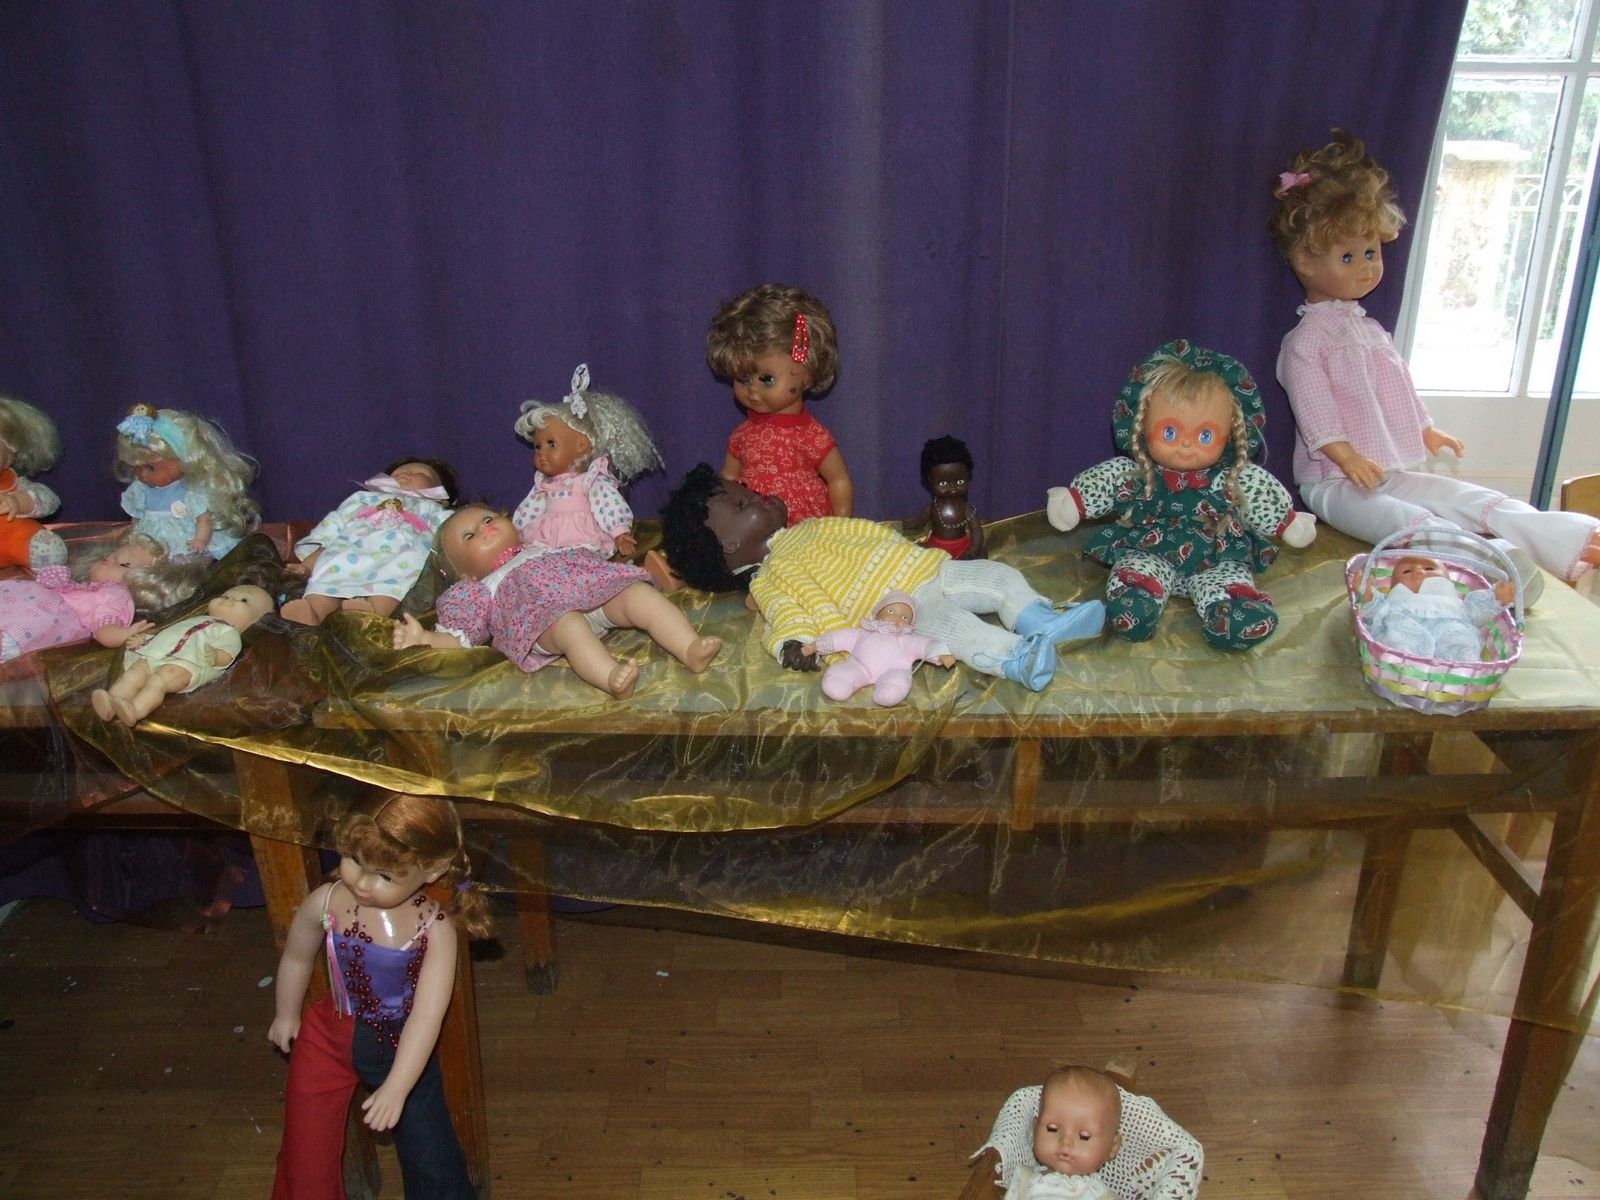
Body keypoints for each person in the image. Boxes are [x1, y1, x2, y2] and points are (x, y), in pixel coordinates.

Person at [1270, 129, 1600, 593]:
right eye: (1349, 256)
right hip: (1335, 484)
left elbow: (1395, 387)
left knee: (1469, 497)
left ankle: (1570, 542)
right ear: (1306, 261)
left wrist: (1425, 428)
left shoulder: (1368, 329)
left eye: (1371, 252)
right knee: (1408, 523)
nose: (1366, 266)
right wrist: (1346, 455)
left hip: (1389, 471)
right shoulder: (1306, 341)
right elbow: (1315, 412)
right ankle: (1493, 567)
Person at [659, 464, 1104, 692]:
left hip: (924, 568)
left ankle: (1041, 619)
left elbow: (864, 533)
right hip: (897, 613)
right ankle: (1017, 659)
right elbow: (784, 615)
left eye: (749, 492)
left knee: (998, 576)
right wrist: (793, 645)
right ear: (731, 546)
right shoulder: (770, 579)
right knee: (959, 628)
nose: (758, 497)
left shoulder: (809, 527)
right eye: (743, 505)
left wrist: (905, 547)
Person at [267, 791, 490, 1200]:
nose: (363, 883)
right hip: (326, 1036)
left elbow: (427, 1016)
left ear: (433, 869)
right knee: (306, 1146)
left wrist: (399, 1086)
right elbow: (297, 955)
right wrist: (286, 1013)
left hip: (398, 1046)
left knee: (430, 1154)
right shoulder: (327, 900)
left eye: (385, 876)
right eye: (354, 860)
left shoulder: (434, 928)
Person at [1045, 341, 1317, 650]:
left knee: (1228, 581)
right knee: (1133, 570)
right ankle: (1137, 604)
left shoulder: (1234, 480)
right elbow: (1106, 482)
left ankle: (1231, 612)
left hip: (1215, 558)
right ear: (1141, 425)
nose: (1186, 445)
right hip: (1150, 550)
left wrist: (1288, 523)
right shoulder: (1138, 475)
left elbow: (1260, 497)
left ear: (1231, 435)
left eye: (1205, 435)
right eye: (1170, 432)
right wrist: (1074, 503)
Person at [392, 504, 721, 700]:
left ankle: (689, 648)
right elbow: (462, 638)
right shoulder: (482, 588)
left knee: (638, 595)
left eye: (488, 519)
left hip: (589, 591)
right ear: (466, 574)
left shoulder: (542, 546)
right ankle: (610, 677)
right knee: (568, 624)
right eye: (470, 536)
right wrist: (425, 638)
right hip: (542, 621)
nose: (485, 529)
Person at [707, 282, 854, 524]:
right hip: (753, 527)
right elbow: (728, 478)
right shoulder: (740, 436)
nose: (753, 390)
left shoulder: (812, 436)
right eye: (743, 378)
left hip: (802, 527)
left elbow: (838, 480)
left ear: (807, 372)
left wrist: (840, 526)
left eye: (767, 379)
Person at [281, 457, 459, 625]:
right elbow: (333, 526)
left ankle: (371, 616)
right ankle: (312, 612)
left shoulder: (435, 510)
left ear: (442, 496)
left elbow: (454, 535)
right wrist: (306, 565)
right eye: (400, 471)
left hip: (398, 558)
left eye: (421, 473)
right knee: (325, 579)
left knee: (392, 584)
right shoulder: (361, 498)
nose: (406, 473)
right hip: (349, 552)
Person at [511, 362, 662, 558]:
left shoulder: (590, 481)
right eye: (537, 447)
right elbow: (528, 511)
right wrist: (514, 534)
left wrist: (619, 533)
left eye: (551, 444)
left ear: (581, 445)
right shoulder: (544, 485)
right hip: (545, 542)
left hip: (581, 539)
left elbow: (607, 504)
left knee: (583, 564)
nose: (541, 453)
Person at [0, 530, 207, 662]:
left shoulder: (115, 595)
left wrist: (124, 635)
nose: (108, 560)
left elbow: (105, 629)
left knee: (26, 623)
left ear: (141, 582)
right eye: (110, 556)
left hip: (49, 616)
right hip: (28, 600)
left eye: (123, 564)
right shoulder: (88, 587)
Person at [89, 583, 274, 727]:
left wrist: (216, 657)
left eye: (244, 601)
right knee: (134, 673)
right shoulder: (197, 619)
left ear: (256, 621)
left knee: (158, 682)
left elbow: (228, 654)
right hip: (156, 652)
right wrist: (145, 640)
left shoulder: (229, 633)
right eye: (225, 596)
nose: (229, 600)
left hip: (187, 664)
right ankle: (112, 700)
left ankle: (135, 710)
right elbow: (169, 634)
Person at [114, 403, 260, 558]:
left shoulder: (191, 490)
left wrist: (200, 540)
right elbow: (137, 519)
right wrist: (134, 539)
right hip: (152, 545)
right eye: (137, 468)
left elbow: (204, 520)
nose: (143, 474)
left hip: (185, 543)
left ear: (183, 462)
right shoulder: (140, 490)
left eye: (151, 468)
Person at [808, 589, 955, 706]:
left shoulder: (906, 640)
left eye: (904, 617)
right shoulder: (862, 634)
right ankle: (841, 680)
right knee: (842, 677)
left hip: (892, 671)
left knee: (895, 682)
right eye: (891, 612)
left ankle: (890, 689)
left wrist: (941, 654)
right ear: (877, 613)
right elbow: (839, 638)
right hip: (859, 666)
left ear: (910, 625)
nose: (897, 619)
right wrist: (815, 646)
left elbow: (924, 645)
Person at [1360, 554, 1516, 661]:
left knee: (1463, 644)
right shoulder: (1391, 602)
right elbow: (1374, 613)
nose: (1419, 571)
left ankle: (1464, 673)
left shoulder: (1459, 604)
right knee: (1397, 642)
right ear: (1393, 586)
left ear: (1448, 580)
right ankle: (1404, 669)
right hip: (1404, 635)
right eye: (1407, 571)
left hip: (1452, 633)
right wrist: (1366, 594)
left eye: (1430, 569)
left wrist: (1496, 598)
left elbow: (1477, 610)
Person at [1005, 1065, 1123, 1199]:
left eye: (1084, 1136)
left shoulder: (1102, 1196)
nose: (1065, 1142)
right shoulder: (1024, 1180)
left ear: (1113, 1147)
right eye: (1052, 1129)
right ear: (1035, 1128)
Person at [0, 394, 66, 569]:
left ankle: (46, 570)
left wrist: (19, 501)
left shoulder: (14, 483)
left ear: (9, 459)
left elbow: (50, 501)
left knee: (46, 547)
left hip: (7, 539)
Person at [909, 434, 985, 559]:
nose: (953, 489)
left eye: (960, 482)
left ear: (968, 476)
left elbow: (976, 531)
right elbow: (920, 522)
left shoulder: (967, 508)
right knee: (916, 551)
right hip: (936, 548)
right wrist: (914, 524)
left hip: (962, 547)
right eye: (943, 484)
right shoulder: (931, 508)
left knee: (982, 552)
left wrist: (974, 549)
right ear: (930, 480)